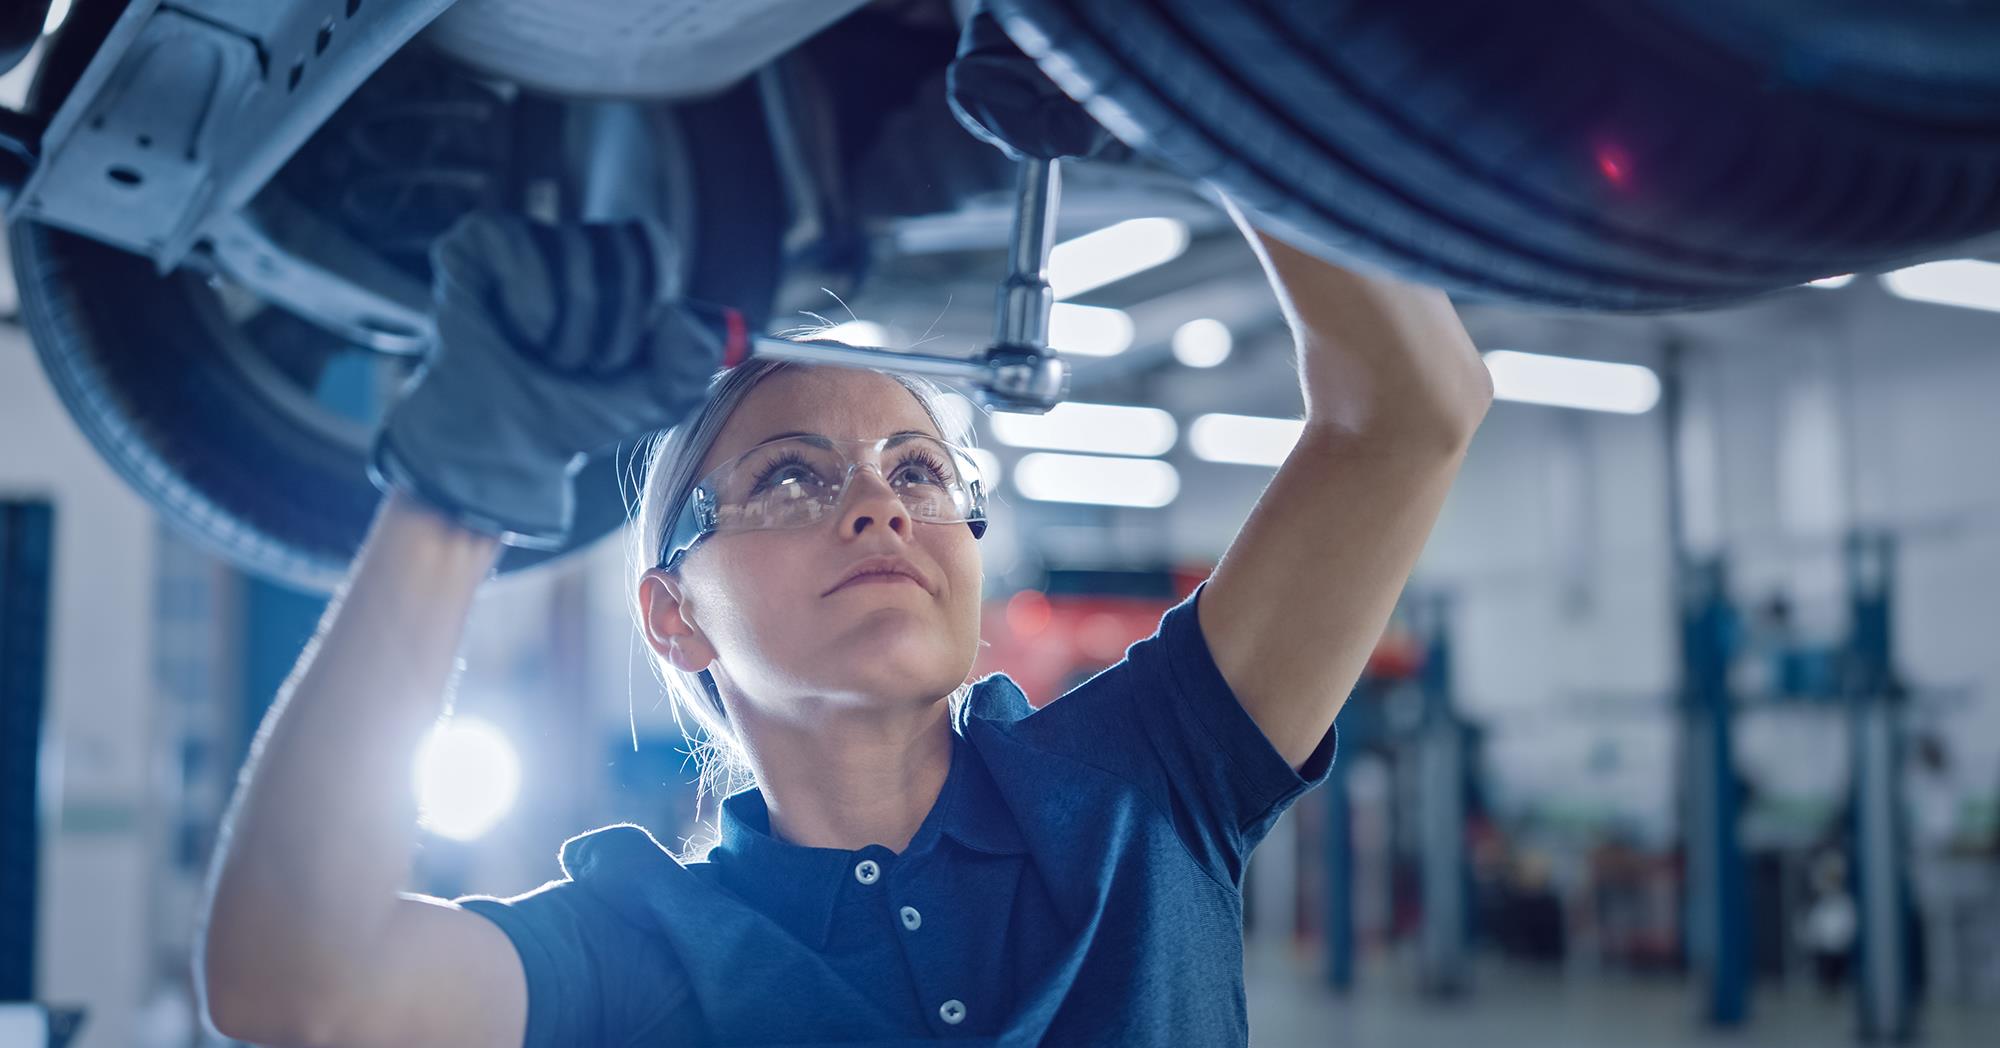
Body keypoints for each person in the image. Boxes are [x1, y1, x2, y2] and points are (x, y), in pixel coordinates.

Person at [192, 184, 1491, 1044]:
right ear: (673, 615)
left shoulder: (1145, 783)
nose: (879, 507)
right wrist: (458, 495)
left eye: (917, 470)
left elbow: (1413, 410)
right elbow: (294, 989)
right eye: (791, 477)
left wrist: (1200, 87)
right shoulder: (642, 950)